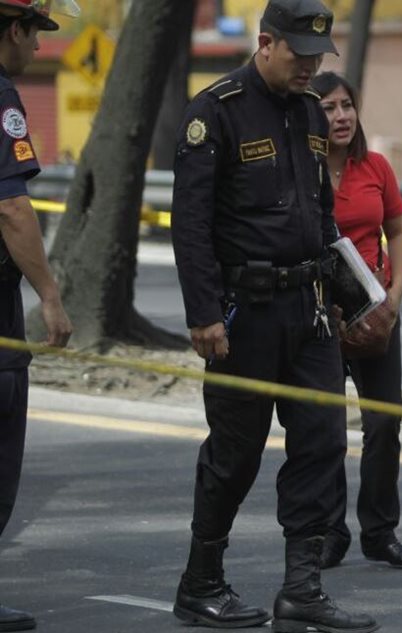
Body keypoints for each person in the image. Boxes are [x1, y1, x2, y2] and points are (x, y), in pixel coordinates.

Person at [170, 1, 377, 631]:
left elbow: (322, 213)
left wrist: (348, 295)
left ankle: (303, 589)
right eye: (299, 54)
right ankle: (201, 582)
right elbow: (191, 225)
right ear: (265, 43)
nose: (310, 67)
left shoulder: (310, 111)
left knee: (323, 443)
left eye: (318, 56)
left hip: (309, 310)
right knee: (236, 452)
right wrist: (204, 314)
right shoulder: (217, 111)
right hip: (244, 313)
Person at [310, 71, 402, 570]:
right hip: (320, 317)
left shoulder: (375, 167)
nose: (341, 117)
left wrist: (394, 298)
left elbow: (398, 232)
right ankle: (330, 532)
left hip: (375, 313)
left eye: (347, 106)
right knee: (326, 429)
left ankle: (380, 532)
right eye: (329, 108)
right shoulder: (301, 171)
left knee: (384, 422)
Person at [0, 1, 75, 630]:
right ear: (14, 29)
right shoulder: (3, 98)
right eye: (36, 34)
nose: (39, 48)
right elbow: (11, 208)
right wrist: (48, 294)